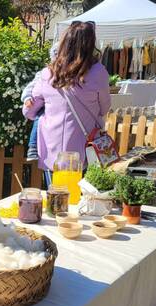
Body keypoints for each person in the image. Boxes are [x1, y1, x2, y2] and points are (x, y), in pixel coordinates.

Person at [22, 21, 110, 185]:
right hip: (85, 149)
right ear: (90, 44)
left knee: (57, 201)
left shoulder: (48, 73)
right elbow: (105, 107)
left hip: (52, 149)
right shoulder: (99, 72)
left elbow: (29, 112)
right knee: (80, 201)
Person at [21, 44, 58, 162]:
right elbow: (30, 87)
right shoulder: (44, 73)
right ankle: (33, 146)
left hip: (58, 107)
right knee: (40, 118)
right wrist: (27, 98)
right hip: (46, 105)